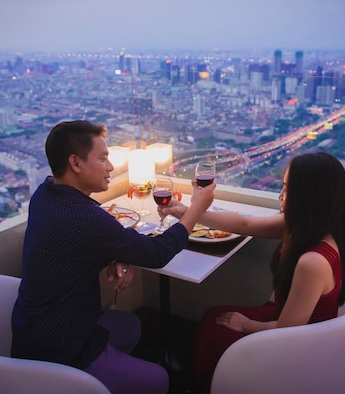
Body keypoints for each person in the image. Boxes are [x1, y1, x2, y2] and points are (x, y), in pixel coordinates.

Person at [11, 120, 215, 394]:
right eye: (103, 158)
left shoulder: (45, 194)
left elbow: (75, 242)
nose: (110, 167)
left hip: (33, 330)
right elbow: (157, 253)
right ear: (76, 163)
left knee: (131, 326)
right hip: (62, 347)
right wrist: (196, 208)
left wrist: (113, 254)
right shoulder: (86, 218)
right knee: (160, 379)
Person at [159, 152, 345, 393]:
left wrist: (246, 325)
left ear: (307, 198)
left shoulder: (313, 262)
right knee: (213, 317)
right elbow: (244, 224)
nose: (280, 196)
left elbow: (288, 331)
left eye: (286, 188)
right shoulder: (311, 228)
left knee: (213, 332)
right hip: (289, 323)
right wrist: (188, 212)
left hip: (300, 346)